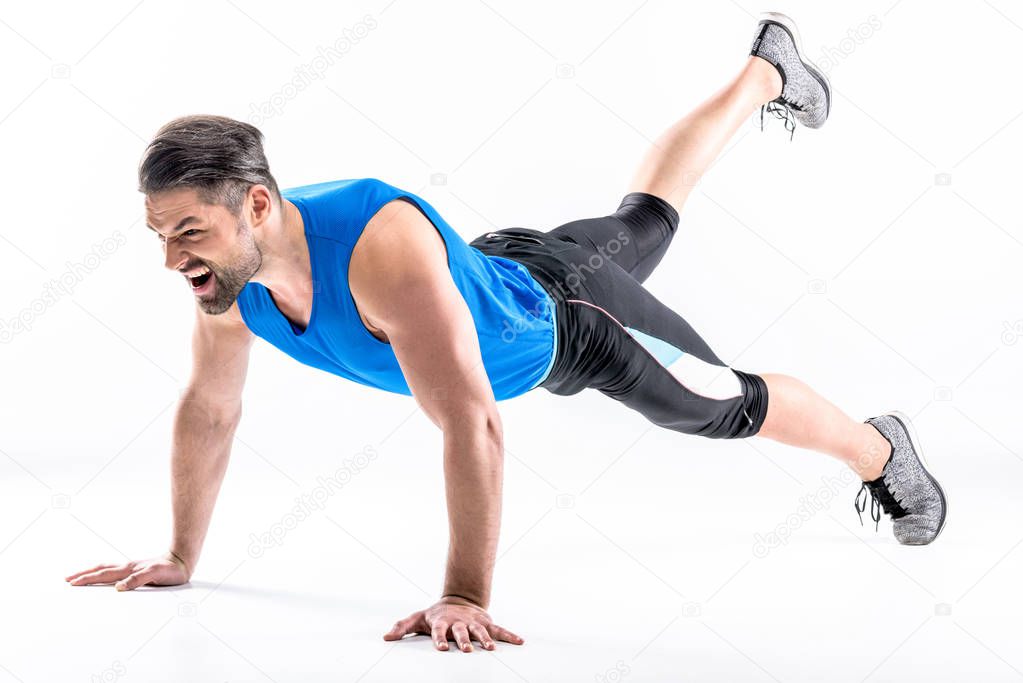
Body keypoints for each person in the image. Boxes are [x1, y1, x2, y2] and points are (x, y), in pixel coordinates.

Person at [65, 12, 947, 654]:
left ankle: (878, 451)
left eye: (188, 232)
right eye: (161, 234)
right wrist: (182, 554)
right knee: (643, 220)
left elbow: (473, 420)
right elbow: (211, 408)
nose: (173, 257)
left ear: (256, 203)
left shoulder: (378, 248)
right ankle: (768, 73)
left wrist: (461, 594)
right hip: (504, 270)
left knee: (713, 404)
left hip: (569, 321)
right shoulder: (231, 279)